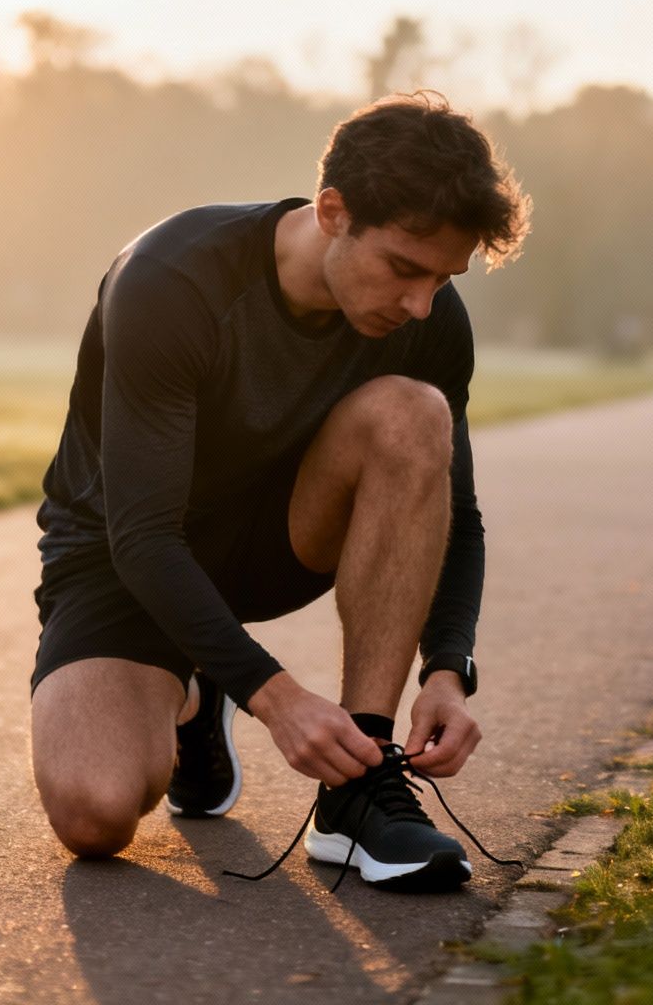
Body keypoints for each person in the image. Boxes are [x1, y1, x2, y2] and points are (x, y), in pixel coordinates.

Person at [27, 91, 530, 892]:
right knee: (94, 814)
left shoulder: (430, 320)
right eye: (404, 267)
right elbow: (144, 537)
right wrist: (274, 697)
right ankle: (197, 698)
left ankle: (359, 790)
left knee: (412, 413)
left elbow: (456, 516)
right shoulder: (172, 279)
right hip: (127, 560)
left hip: (281, 540)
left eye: (443, 278)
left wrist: (447, 669)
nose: (420, 305)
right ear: (333, 211)